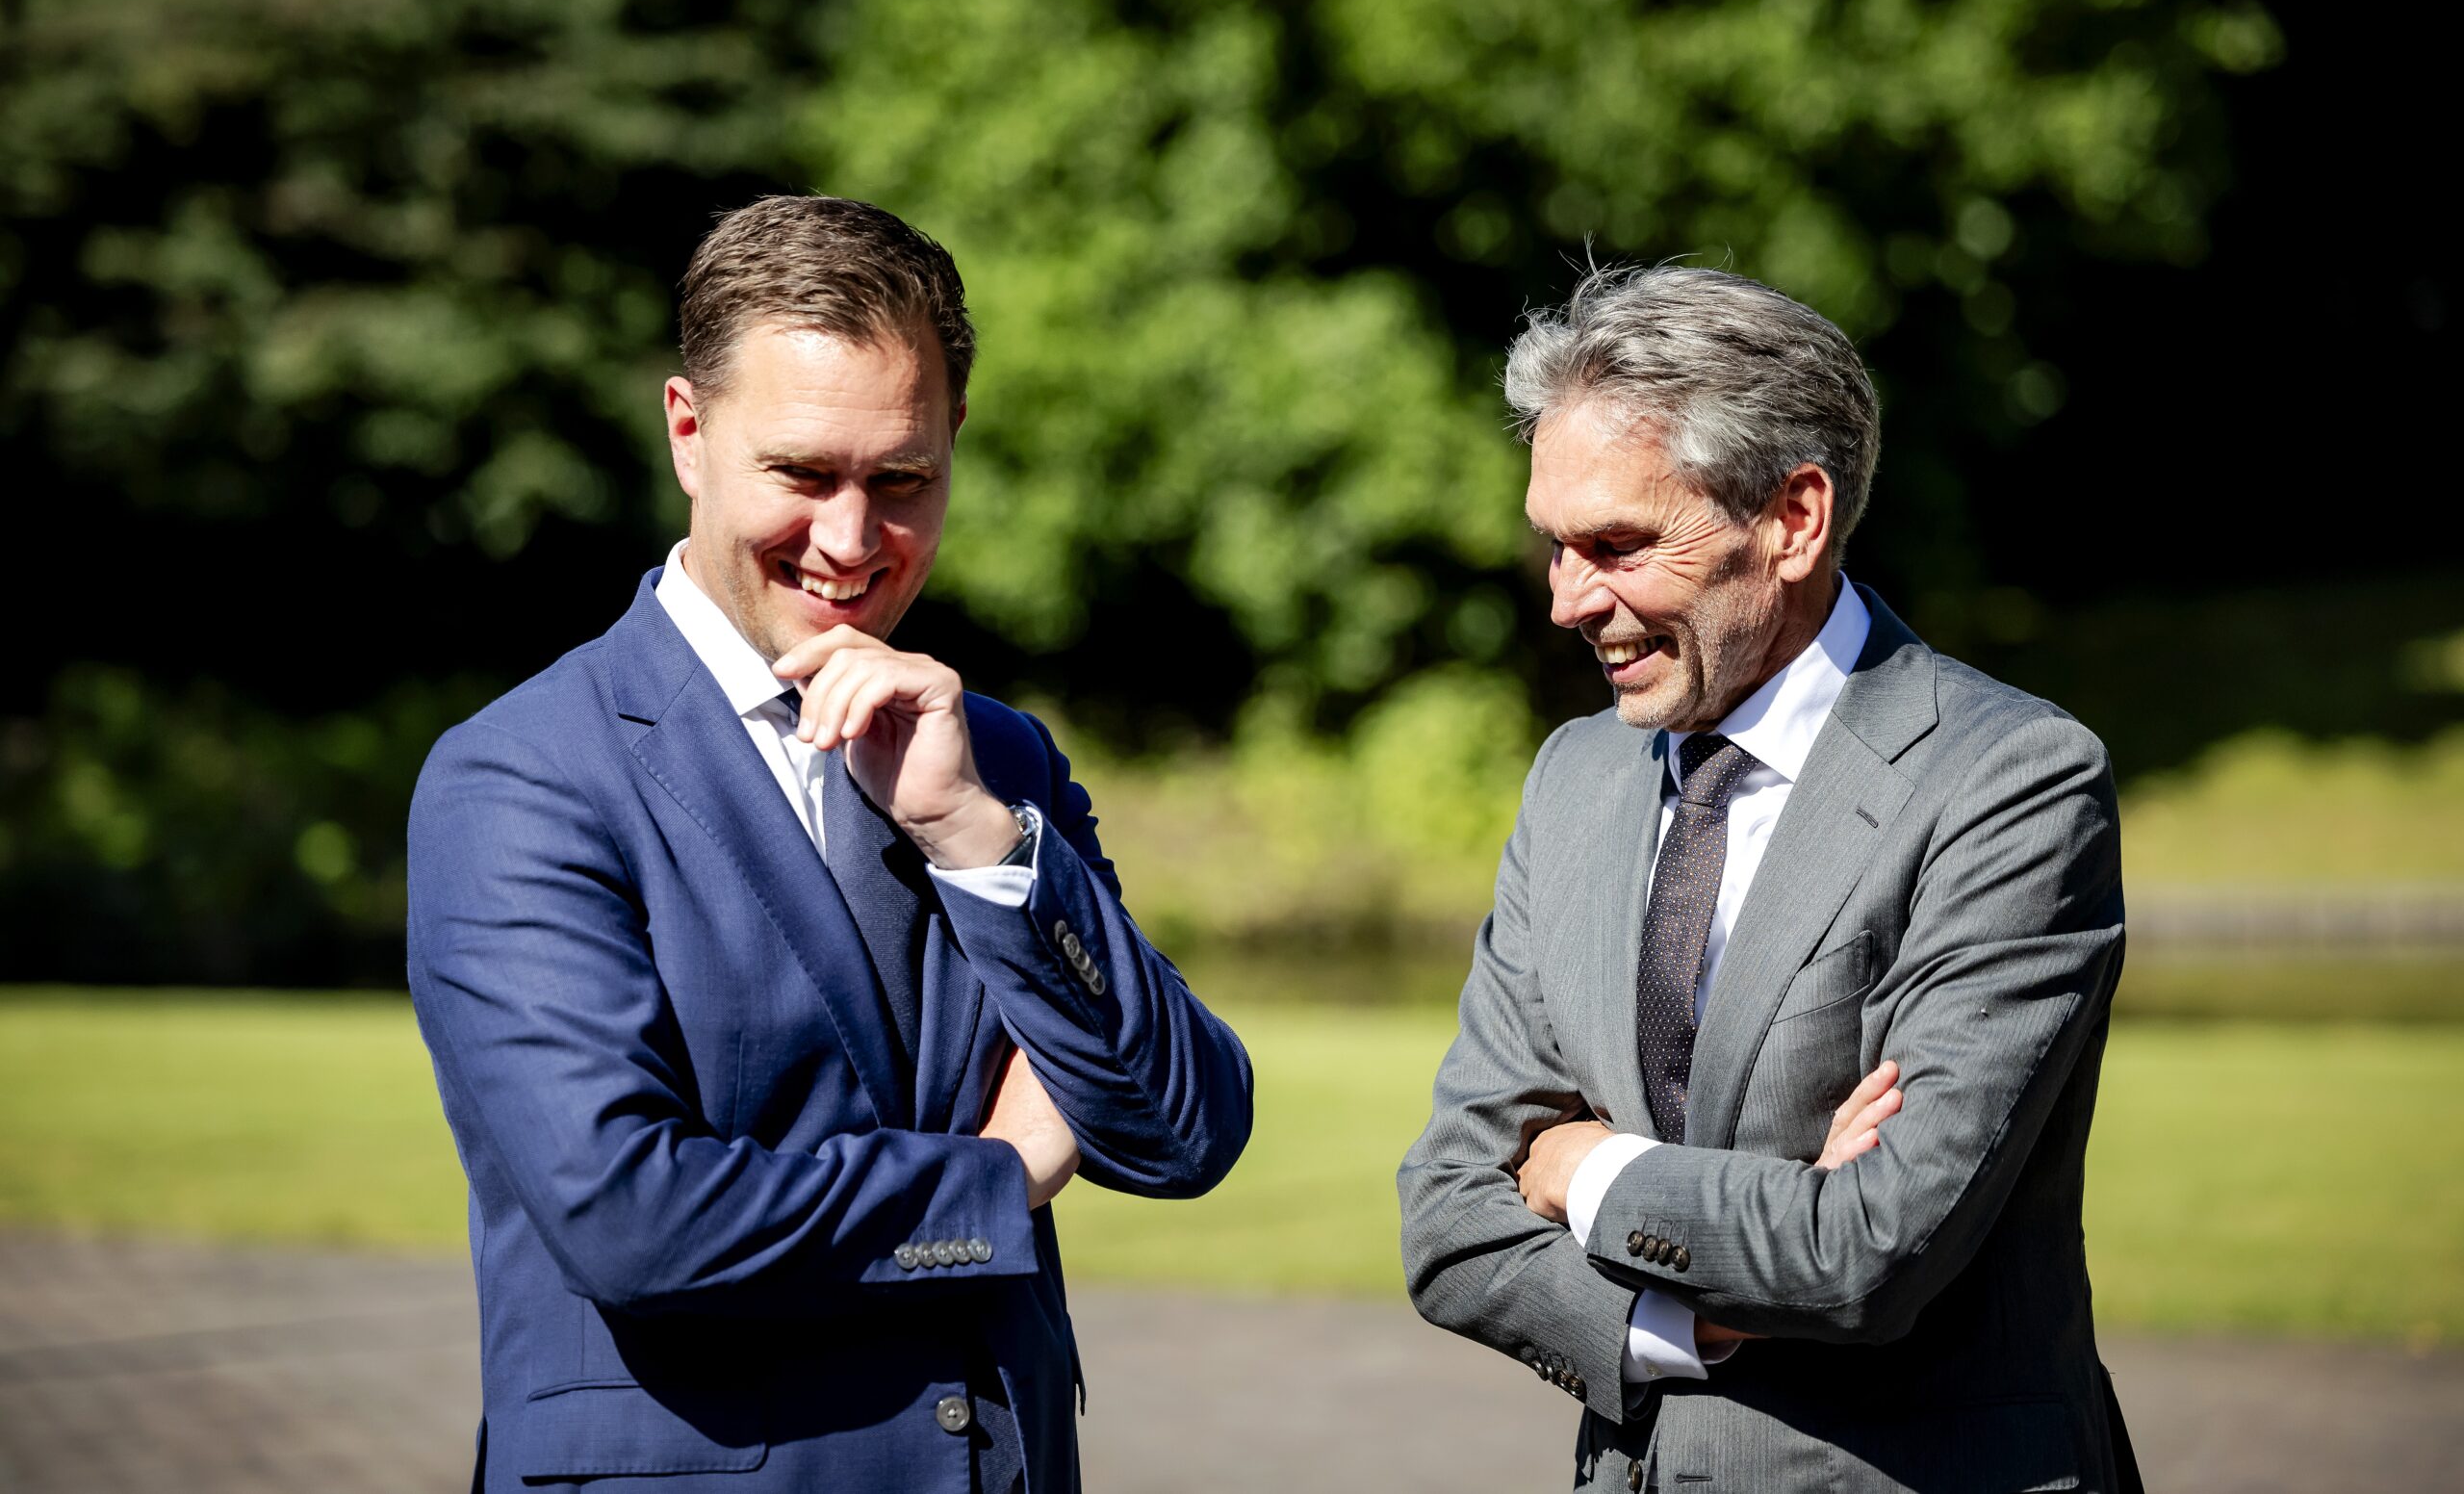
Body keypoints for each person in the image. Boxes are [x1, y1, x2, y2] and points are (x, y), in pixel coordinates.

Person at [407, 194, 1253, 1494]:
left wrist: (973, 833)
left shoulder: (999, 758)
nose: (853, 541)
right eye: (802, 474)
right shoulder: (521, 776)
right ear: (689, 433)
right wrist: (996, 1177)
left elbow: (1183, 1128)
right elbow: (635, 1218)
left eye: (901, 479)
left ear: (955, 438)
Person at [1398, 263, 2140, 1492]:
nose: (1565, 600)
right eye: (1555, 546)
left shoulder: (2010, 780)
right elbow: (1444, 1217)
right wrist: (1696, 1317)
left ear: (1793, 518)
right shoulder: (1576, 776)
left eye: (1616, 545)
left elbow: (1870, 1253)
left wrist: (1586, 1169)